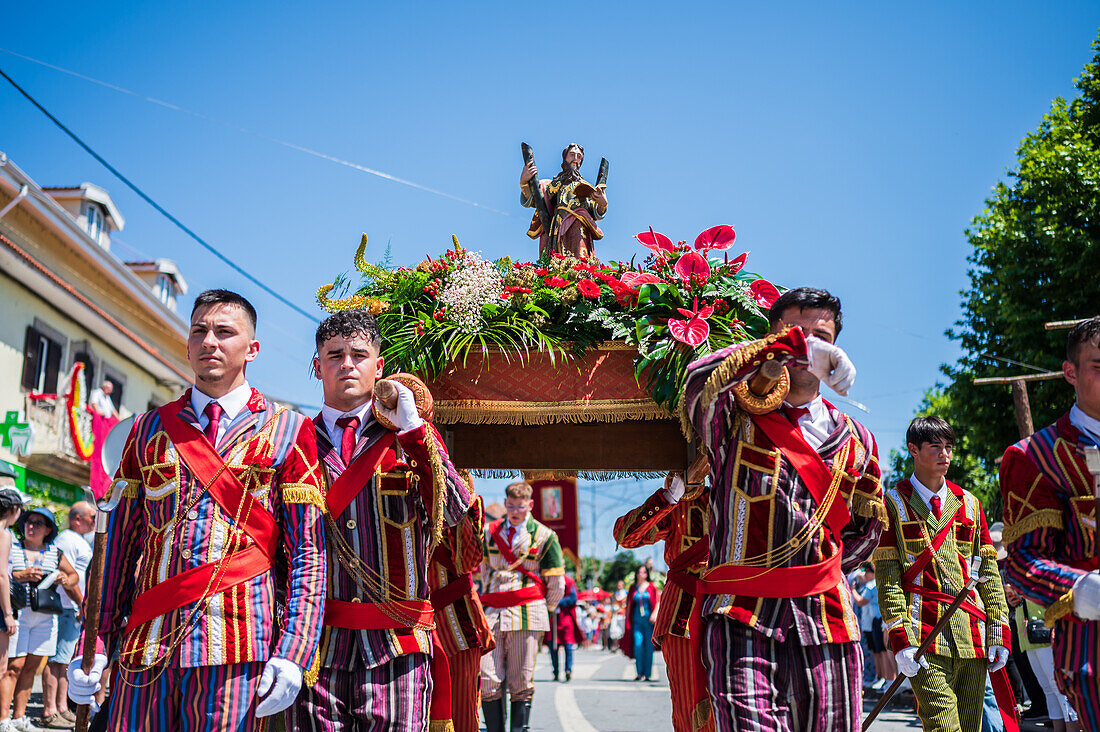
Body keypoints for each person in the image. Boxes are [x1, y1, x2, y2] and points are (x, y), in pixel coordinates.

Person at [66, 289, 328, 730]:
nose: (210, 341)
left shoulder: (288, 429)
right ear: (187, 345)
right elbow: (116, 549)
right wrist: (91, 644)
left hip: (240, 647)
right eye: (199, 331)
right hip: (145, 645)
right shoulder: (146, 430)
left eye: (225, 332)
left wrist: (294, 652)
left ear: (252, 349)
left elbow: (309, 554)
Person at [679, 287, 886, 732]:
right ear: (770, 338)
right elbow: (698, 386)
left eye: (821, 336)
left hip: (827, 616)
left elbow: (866, 533)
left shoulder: (857, 438)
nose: (809, 345)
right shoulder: (734, 417)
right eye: (794, 332)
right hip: (740, 611)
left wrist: (807, 569)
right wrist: (782, 351)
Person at [289, 309, 472, 731]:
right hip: (318, 650)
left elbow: (457, 512)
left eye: (358, 354)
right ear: (317, 367)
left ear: (379, 365)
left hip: (397, 647)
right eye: (334, 355)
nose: (347, 364)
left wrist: (413, 431)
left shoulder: (411, 437)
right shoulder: (294, 440)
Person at [874, 416, 1013, 732]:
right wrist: (899, 637)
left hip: (971, 635)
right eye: (935, 446)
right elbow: (887, 576)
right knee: (944, 728)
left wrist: (998, 631)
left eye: (948, 447)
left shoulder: (971, 504)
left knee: (970, 727)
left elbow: (988, 573)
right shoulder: (892, 504)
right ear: (913, 449)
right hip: (922, 635)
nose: (945, 454)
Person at [1000, 316, 1100, 730]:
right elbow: (1023, 561)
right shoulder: (1035, 457)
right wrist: (1079, 590)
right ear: (1070, 373)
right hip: (1093, 653)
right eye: (1099, 365)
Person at [613, 454, 714, 731]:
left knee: (732, 698)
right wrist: (671, 496)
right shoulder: (673, 508)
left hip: (729, 606)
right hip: (683, 611)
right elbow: (625, 535)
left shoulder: (728, 498)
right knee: (687, 701)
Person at [479, 481, 565, 732]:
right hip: (493, 613)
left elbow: (556, 583)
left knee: (520, 681)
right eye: (511, 505)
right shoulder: (489, 531)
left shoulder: (546, 536)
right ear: (505, 503)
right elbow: (484, 571)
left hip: (528, 613)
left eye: (520, 506)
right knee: (487, 680)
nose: (515, 511)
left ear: (530, 505)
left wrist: (545, 610)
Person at [2, 508, 81, 732]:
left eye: (38, 523)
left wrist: (65, 579)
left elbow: (73, 575)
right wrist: (21, 575)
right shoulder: (13, 546)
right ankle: (3, 719)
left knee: (31, 667)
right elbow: (2, 573)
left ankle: (18, 717)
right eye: (28, 521)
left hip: (46, 618)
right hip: (18, 614)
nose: (31, 526)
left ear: (47, 530)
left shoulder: (54, 552)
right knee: (13, 666)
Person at [429, 478, 494, 732]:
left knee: (462, 710)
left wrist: (456, 503)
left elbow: (468, 562)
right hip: (406, 618)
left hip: (454, 620)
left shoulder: (469, 503)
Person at [40, 502, 94, 729]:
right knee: (56, 660)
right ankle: (49, 709)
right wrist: (81, 603)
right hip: (65, 605)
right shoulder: (67, 539)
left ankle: (61, 706)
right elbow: (64, 574)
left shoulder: (77, 540)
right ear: (76, 519)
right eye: (92, 516)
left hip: (72, 607)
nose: (95, 520)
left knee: (65, 660)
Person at [520, 143, 607, 259]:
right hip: (559, 226)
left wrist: (602, 202)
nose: (575, 159)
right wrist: (524, 183)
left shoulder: (586, 187)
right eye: (572, 155)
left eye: (579, 157)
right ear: (564, 158)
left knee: (580, 260)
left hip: (580, 226)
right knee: (558, 259)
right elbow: (538, 199)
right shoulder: (557, 183)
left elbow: (595, 211)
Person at [851, 564, 894, 693]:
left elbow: (860, 601)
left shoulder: (872, 585)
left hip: (876, 620)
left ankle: (886, 678)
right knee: (878, 651)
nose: (864, 576)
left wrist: (852, 590)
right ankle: (881, 677)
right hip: (873, 621)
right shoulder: (871, 584)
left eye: (866, 573)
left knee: (882, 650)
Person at [620, 566, 658, 682]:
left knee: (649, 647)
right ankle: (639, 672)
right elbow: (629, 605)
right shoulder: (633, 588)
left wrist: (655, 614)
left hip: (649, 622)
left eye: (644, 572)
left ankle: (647, 674)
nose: (641, 574)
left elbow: (658, 601)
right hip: (636, 622)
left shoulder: (652, 587)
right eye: (639, 572)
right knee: (638, 645)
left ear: (647, 574)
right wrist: (626, 622)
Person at [549, 574, 580, 682]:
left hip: (565, 618)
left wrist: (558, 602)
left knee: (568, 646)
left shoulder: (569, 581)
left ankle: (568, 670)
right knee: (553, 647)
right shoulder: (549, 578)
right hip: (553, 619)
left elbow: (573, 598)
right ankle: (556, 671)